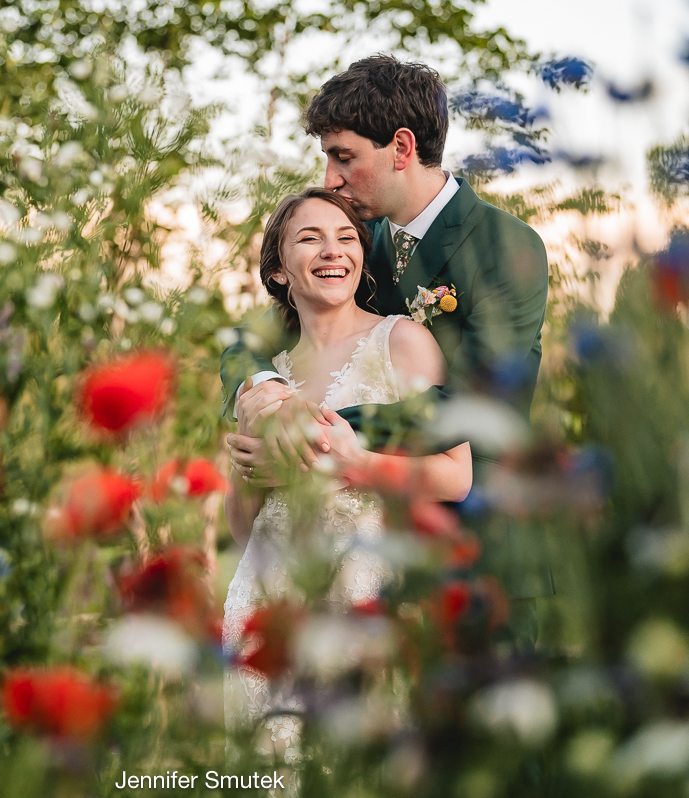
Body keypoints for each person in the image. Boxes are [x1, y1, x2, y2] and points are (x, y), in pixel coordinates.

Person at [220, 56, 554, 641]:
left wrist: (305, 438)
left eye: (343, 156)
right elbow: (248, 344)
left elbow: (475, 407)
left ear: (401, 147)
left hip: (475, 555)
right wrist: (263, 388)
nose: (330, 178)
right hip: (363, 568)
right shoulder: (352, 239)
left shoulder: (504, 247)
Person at [222, 187, 472, 767]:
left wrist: (357, 463)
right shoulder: (265, 384)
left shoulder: (401, 342)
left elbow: (456, 476)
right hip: (268, 597)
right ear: (279, 271)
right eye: (309, 238)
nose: (333, 251)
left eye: (346, 239)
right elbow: (241, 528)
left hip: (363, 585)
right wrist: (247, 477)